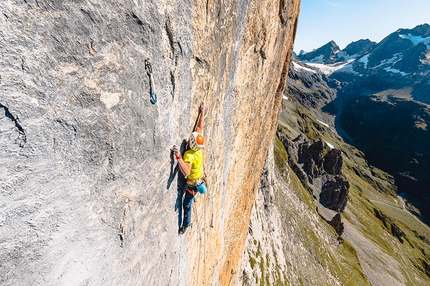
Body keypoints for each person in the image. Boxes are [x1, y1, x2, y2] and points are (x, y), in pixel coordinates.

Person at [171, 102, 206, 235]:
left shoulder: (189, 155)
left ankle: (185, 225)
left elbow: (186, 172)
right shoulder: (198, 148)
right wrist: (201, 113)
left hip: (193, 183)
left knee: (187, 204)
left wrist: (179, 157)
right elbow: (199, 128)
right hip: (200, 175)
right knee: (189, 199)